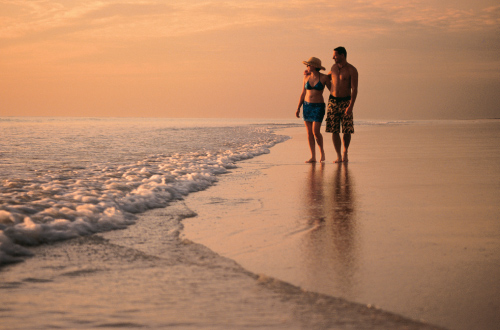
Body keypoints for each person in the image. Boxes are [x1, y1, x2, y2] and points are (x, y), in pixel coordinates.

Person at [325, 46, 358, 163]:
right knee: (334, 130)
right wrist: (310, 72)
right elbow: (325, 78)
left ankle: (345, 151)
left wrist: (351, 106)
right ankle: (338, 155)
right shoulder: (333, 67)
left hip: (346, 101)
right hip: (333, 101)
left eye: (335, 55)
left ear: (342, 55)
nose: (333, 57)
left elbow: (354, 89)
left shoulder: (352, 70)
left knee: (347, 130)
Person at [296, 57, 331, 163]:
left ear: (315, 66)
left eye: (308, 64)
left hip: (318, 106)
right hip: (307, 106)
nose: (307, 66)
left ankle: (322, 153)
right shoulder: (306, 77)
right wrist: (298, 108)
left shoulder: (324, 78)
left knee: (316, 131)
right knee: (309, 133)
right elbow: (303, 93)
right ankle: (313, 156)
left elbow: (333, 91)